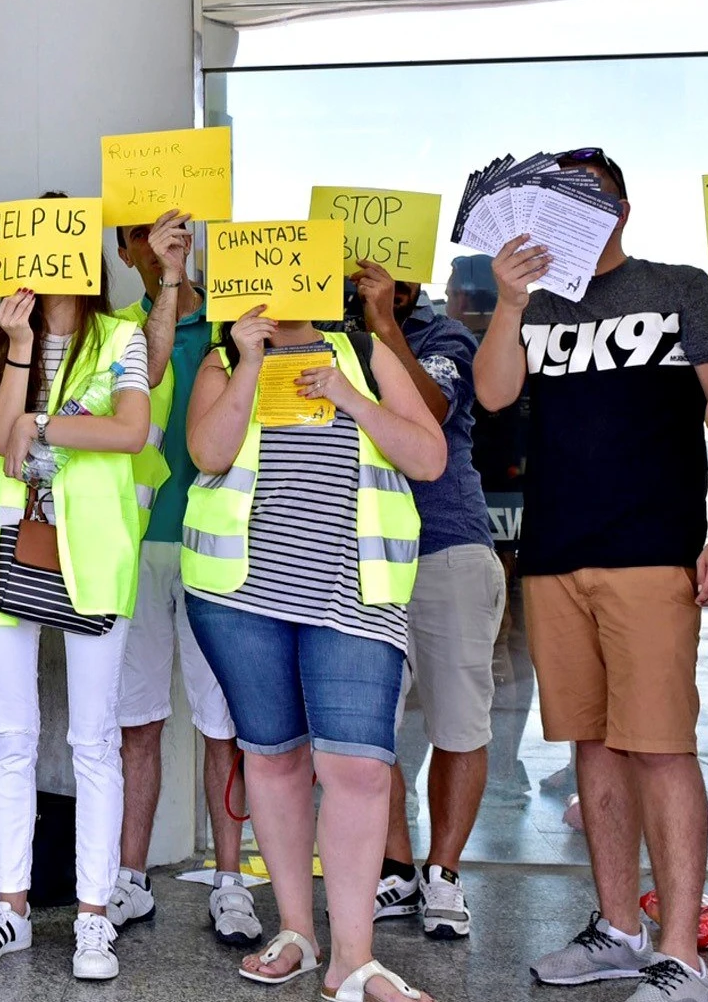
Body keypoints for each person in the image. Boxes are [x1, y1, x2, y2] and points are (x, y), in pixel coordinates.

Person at [471, 149, 708, 1002]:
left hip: (651, 551)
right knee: (589, 742)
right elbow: (489, 394)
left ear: (619, 210)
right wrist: (509, 299)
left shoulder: (679, 286)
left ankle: (680, 956)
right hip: (555, 555)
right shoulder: (535, 301)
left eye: (583, 200)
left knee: (660, 747)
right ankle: (618, 927)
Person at [182, 301, 446, 1002]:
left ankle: (352, 960)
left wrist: (345, 394)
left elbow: (427, 456)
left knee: (358, 767)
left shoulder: (360, 349)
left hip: (353, 588)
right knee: (271, 757)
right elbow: (206, 453)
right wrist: (244, 361)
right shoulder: (222, 351)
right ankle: (298, 932)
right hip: (241, 591)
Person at [0, 281, 150, 980]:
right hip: (7, 546)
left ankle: (93, 917)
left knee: (93, 739)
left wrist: (43, 426)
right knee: (11, 736)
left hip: (94, 553)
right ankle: (10, 906)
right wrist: (20, 348)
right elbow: (1, 440)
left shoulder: (121, 338)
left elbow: (128, 429)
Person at [106, 210, 257, 944]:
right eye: (143, 232)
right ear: (125, 250)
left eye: (175, 229)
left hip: (220, 546)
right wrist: (169, 283)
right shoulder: (121, 332)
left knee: (222, 723)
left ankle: (231, 881)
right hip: (136, 546)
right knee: (136, 720)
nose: (163, 239)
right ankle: (130, 880)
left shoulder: (240, 324)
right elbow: (152, 369)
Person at [349, 262, 505, 940]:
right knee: (363, 723)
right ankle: (394, 864)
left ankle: (443, 871)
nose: (370, 285)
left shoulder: (445, 337)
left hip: (445, 544)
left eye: (389, 281)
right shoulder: (328, 338)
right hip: (359, 551)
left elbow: (432, 414)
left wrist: (385, 326)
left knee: (459, 720)